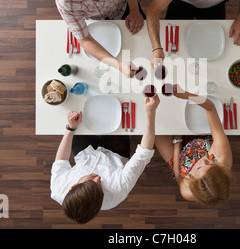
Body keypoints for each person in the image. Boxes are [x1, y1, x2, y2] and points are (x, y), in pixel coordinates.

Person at [50, 95, 160, 224]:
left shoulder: (58, 190)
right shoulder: (118, 189)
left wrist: (70, 128)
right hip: (115, 153)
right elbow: (143, 153)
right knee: (116, 108)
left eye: (92, 180)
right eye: (100, 185)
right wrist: (150, 113)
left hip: (84, 153)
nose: (98, 178)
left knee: (82, 106)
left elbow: (61, 160)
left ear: (72, 186)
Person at [55, 0, 145, 78]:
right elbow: (85, 39)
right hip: (95, 19)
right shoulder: (64, 0)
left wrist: (135, 10)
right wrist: (119, 65)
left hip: (123, 6)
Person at [154, 85, 233, 206]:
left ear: (192, 181)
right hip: (201, 137)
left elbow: (178, 176)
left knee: (155, 125)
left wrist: (177, 140)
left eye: (199, 168)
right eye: (210, 163)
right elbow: (210, 107)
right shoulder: (222, 157)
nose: (203, 161)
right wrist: (186, 94)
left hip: (181, 158)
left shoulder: (188, 192)